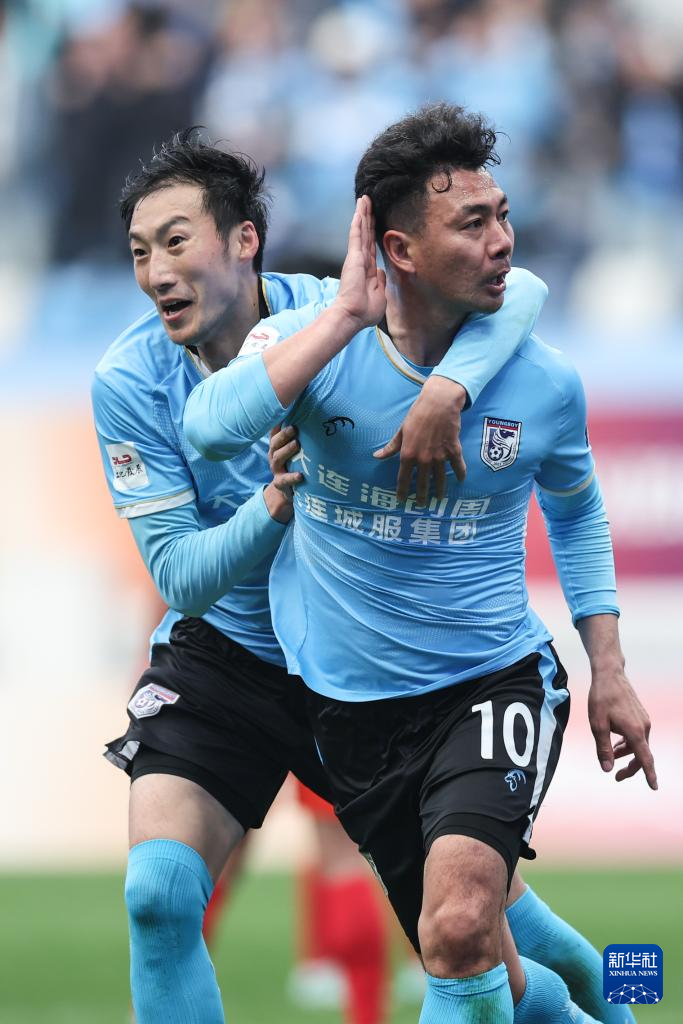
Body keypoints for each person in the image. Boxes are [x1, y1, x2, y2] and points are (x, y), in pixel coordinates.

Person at [185, 102, 656, 1024]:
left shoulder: (544, 381)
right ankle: (617, 1007)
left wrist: (607, 668)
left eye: (502, 216)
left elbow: (576, 511)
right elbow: (207, 429)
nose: (501, 241)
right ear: (397, 249)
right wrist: (345, 318)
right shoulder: (313, 345)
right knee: (504, 961)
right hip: (350, 716)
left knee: (457, 927)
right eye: (471, 224)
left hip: (491, 684)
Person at [91, 129, 549, 1024]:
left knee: (496, 944)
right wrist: (271, 506)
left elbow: (521, 289)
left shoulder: (330, 308)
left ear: (244, 240)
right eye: (139, 252)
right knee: (157, 894)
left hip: (357, 668)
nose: (155, 272)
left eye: (176, 242)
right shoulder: (128, 379)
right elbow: (182, 578)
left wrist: (447, 387)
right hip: (225, 661)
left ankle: (617, 999)